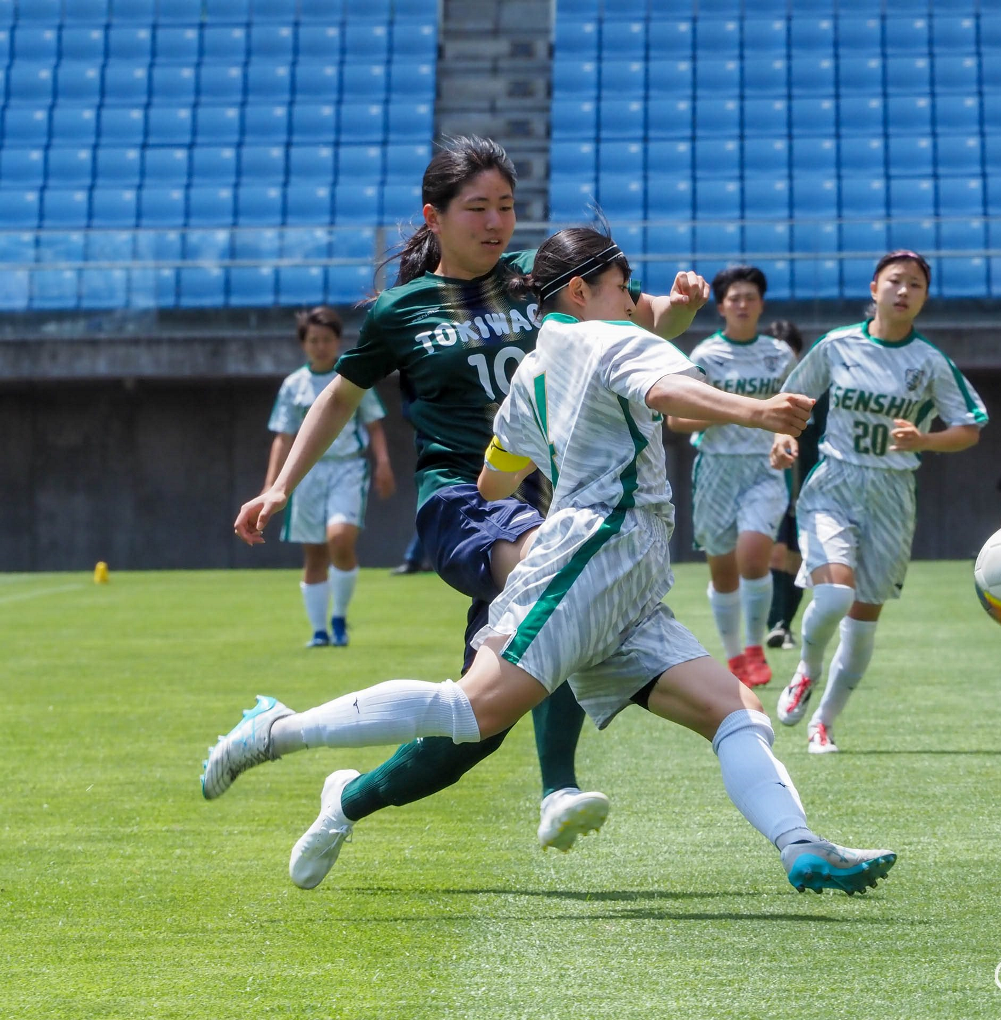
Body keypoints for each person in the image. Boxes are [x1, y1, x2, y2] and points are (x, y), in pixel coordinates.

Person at [204, 227, 897, 895]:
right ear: (577, 292)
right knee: (470, 714)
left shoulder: (535, 367)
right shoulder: (606, 336)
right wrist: (755, 412)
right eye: (622, 287)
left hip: (627, 582)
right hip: (590, 554)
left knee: (737, 711)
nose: (632, 302)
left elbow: (495, 480)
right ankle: (277, 729)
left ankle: (803, 847)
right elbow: (664, 392)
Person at [227, 136, 710, 888]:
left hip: (554, 504)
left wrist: (678, 310)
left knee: (471, 730)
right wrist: (282, 485)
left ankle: (343, 803)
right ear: (436, 216)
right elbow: (340, 397)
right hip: (463, 499)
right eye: (478, 207)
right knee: (560, 589)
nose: (496, 222)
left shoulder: (542, 285)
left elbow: (641, 330)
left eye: (507, 206)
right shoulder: (401, 310)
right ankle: (558, 788)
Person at [771, 251, 989, 754]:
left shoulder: (931, 362)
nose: (904, 290)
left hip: (892, 494)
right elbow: (792, 400)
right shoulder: (838, 345)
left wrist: (926, 441)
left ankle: (823, 722)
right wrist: (780, 440)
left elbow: (969, 428)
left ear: (924, 298)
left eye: (915, 284)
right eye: (895, 281)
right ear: (874, 289)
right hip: (835, 483)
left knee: (864, 620)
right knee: (834, 597)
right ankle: (806, 668)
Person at [665, 266, 795, 688]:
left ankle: (756, 647)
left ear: (761, 304)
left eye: (750, 297)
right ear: (721, 306)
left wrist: (783, 437)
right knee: (723, 572)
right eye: (734, 298)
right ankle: (735, 656)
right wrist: (728, 410)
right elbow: (676, 419)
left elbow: (792, 413)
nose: (742, 304)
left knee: (754, 556)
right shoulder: (704, 355)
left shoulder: (780, 354)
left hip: (763, 467)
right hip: (716, 469)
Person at [265, 306, 396, 647]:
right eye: (313, 340)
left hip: (347, 467)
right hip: (307, 474)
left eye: (327, 339)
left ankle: (339, 617)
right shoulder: (294, 385)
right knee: (314, 553)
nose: (320, 346)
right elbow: (283, 436)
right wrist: (271, 484)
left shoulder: (352, 377)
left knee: (340, 539)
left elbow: (374, 425)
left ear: (338, 341)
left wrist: (382, 462)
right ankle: (319, 631)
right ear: (303, 344)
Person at [761, 318, 820, 652]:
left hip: (800, 480)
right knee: (775, 553)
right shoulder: (756, 388)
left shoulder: (810, 388)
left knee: (795, 557)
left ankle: (782, 623)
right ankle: (773, 623)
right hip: (762, 480)